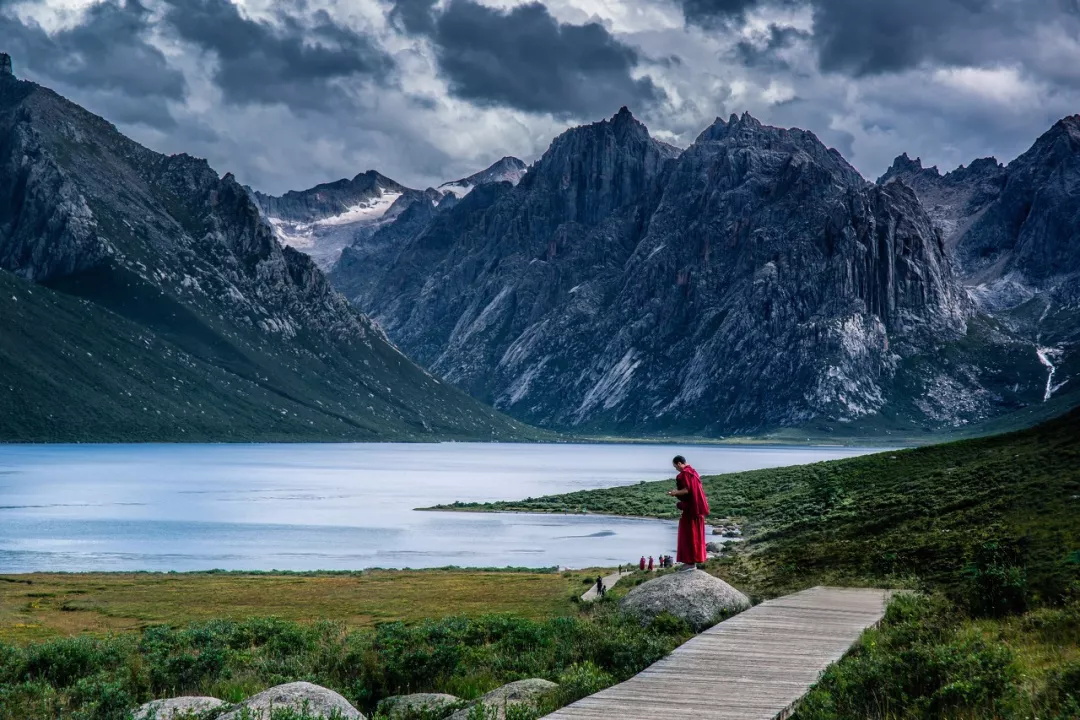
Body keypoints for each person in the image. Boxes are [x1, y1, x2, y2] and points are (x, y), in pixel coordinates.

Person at [667, 455, 710, 569]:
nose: (676, 468)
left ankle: (690, 562)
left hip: (690, 510)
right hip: (697, 509)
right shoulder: (693, 472)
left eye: (675, 466)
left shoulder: (684, 474)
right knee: (696, 534)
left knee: (689, 535)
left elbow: (687, 490)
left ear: (680, 463)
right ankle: (693, 561)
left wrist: (675, 493)